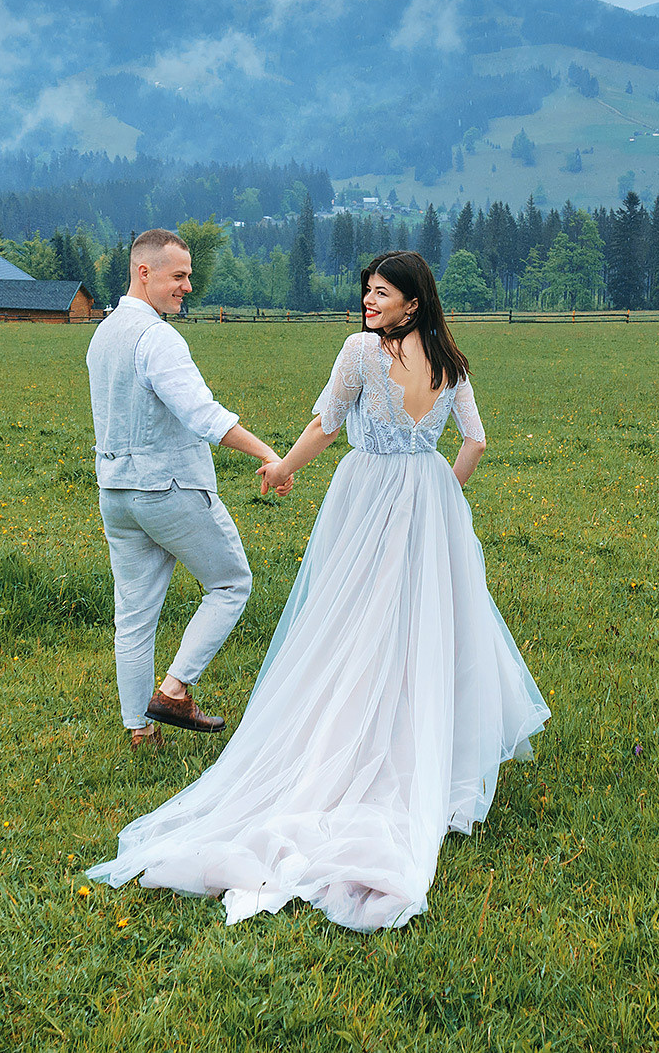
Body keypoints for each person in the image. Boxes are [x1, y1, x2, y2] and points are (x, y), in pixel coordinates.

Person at [87, 251, 549, 931]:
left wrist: (281, 469)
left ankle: (336, 741)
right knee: (424, 626)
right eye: (366, 291)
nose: (368, 301)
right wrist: (439, 495)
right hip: (429, 500)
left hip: (366, 495)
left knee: (350, 620)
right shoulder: (452, 362)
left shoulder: (360, 353)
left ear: (412, 303)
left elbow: (326, 427)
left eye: (382, 293)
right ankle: (420, 751)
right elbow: (475, 442)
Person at [86, 228, 292, 751]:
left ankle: (140, 733)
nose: (187, 287)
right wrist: (269, 453)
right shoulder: (156, 338)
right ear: (144, 272)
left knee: (132, 614)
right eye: (178, 276)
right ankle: (174, 690)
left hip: (116, 492)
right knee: (230, 584)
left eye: (189, 277)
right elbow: (203, 415)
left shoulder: (103, 333)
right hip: (168, 487)